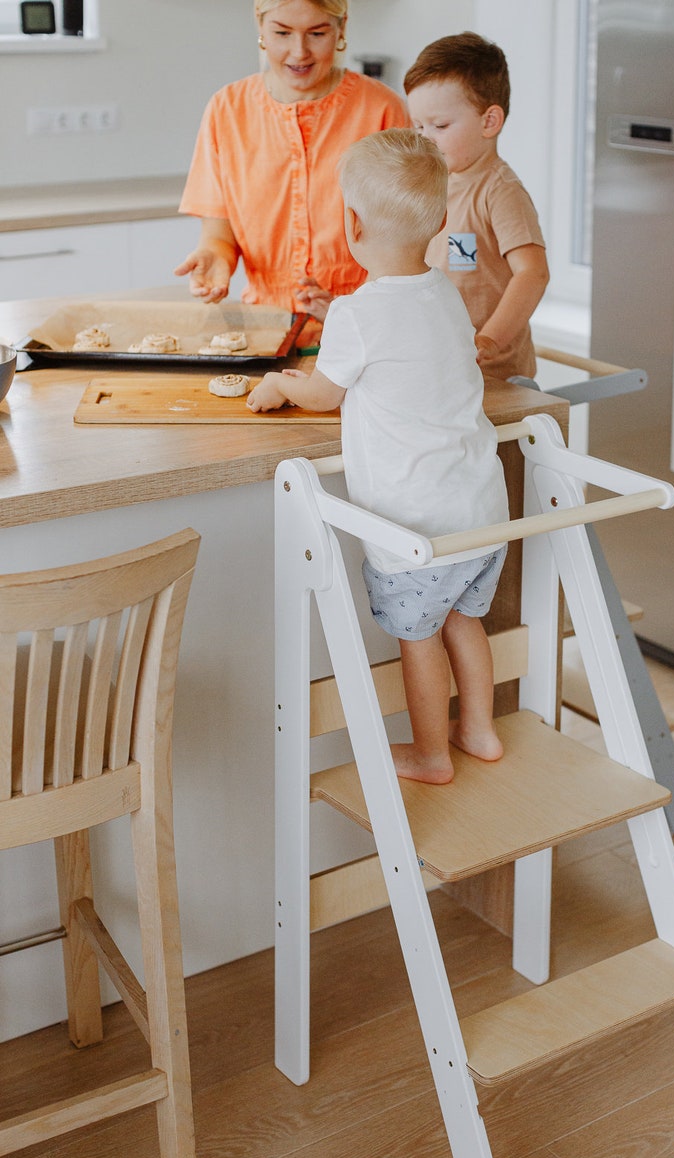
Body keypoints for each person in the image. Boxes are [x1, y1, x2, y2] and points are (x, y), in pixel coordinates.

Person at [247, 129, 510, 784]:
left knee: (418, 638)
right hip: (481, 511)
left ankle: (430, 755)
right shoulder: (445, 292)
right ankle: (478, 729)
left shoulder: (358, 318)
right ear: (442, 220)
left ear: (350, 221)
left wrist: (281, 383)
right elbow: (401, 330)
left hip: (415, 524)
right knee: (464, 622)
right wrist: (337, 310)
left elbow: (323, 394)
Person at [174, 0, 407, 310]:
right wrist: (213, 257)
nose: (299, 52)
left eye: (317, 33)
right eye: (282, 33)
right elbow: (218, 236)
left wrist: (345, 310)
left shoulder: (382, 110)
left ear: (342, 27)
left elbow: (403, 244)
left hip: (364, 323)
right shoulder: (226, 110)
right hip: (267, 325)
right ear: (260, 25)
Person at [404, 31, 550, 380]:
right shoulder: (437, 184)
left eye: (439, 126)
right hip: (445, 368)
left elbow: (533, 274)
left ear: (489, 122)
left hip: (494, 376)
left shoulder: (500, 191)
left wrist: (489, 341)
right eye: (418, 126)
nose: (426, 138)